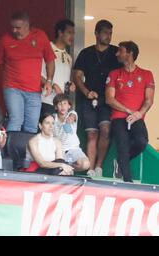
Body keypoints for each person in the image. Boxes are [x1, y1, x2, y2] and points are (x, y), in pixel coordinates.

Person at [0, 11, 56, 134]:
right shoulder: (5, 40)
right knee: (16, 119)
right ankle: (11, 152)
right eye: (12, 27)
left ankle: (27, 153)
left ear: (27, 26)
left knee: (32, 124)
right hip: (12, 88)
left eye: (18, 28)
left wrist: (49, 81)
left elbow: (50, 60)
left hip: (34, 90)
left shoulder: (40, 36)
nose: (14, 30)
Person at [73, 19, 122, 177]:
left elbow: (126, 70)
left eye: (110, 33)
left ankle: (99, 167)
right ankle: (90, 169)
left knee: (105, 130)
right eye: (105, 33)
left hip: (108, 101)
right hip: (88, 99)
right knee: (91, 134)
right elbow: (77, 76)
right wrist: (87, 92)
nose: (109, 36)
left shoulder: (116, 53)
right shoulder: (86, 53)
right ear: (96, 33)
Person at [106, 41, 154, 182]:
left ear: (130, 54)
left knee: (142, 142)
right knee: (123, 145)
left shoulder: (146, 74)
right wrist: (128, 111)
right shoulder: (114, 74)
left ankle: (121, 161)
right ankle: (128, 182)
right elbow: (109, 99)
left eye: (120, 51)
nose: (117, 54)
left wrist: (139, 114)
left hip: (137, 117)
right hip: (119, 117)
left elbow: (149, 100)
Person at [41, 19, 76, 116]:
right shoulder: (47, 49)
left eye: (73, 33)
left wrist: (71, 84)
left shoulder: (69, 57)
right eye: (69, 32)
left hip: (63, 105)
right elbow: (36, 75)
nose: (72, 36)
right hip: (47, 101)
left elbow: (66, 80)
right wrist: (52, 85)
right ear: (60, 32)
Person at [52, 94, 90, 172]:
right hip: (59, 151)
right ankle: (64, 168)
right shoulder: (53, 117)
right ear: (56, 107)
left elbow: (73, 116)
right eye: (59, 104)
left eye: (65, 103)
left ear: (69, 106)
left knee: (86, 164)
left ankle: (69, 168)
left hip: (73, 149)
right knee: (58, 170)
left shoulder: (72, 114)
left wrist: (71, 118)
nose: (62, 106)